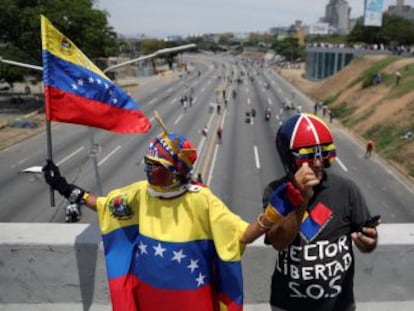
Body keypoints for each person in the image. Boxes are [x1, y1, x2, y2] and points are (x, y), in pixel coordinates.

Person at [42, 113, 283, 311]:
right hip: (149, 300)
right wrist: (65, 188)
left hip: (192, 302)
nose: (148, 168)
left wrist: (275, 212)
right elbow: (105, 205)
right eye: (147, 161)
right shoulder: (141, 193)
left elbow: (243, 235)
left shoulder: (203, 201)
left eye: (156, 164)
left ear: (177, 171)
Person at [262, 113, 379, 311]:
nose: (317, 163)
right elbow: (279, 242)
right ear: (289, 158)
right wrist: (300, 197)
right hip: (287, 304)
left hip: (339, 305)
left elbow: (366, 241)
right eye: (307, 155)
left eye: (324, 153)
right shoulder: (275, 192)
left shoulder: (347, 189)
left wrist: (369, 241)